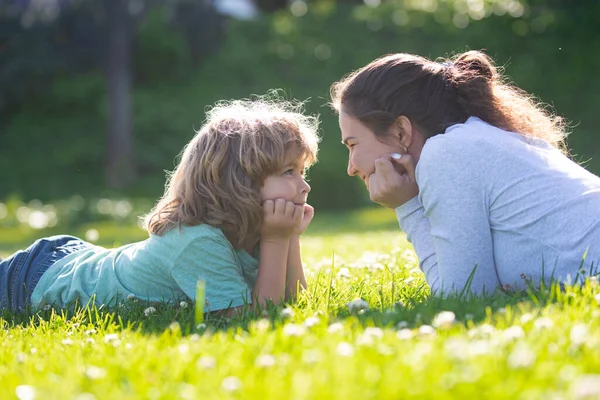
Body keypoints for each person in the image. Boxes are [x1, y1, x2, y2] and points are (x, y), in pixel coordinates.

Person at [0, 94, 320, 313]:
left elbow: (292, 302)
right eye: (288, 172)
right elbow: (253, 321)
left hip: (78, 257)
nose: (303, 185)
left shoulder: (255, 230)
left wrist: (288, 237)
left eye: (302, 171)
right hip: (32, 281)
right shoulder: (198, 240)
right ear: (239, 178)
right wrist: (279, 239)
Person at [330, 50, 600, 296]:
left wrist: (407, 206)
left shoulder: (447, 154)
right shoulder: (471, 141)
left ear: (401, 131)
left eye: (353, 145)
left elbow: (464, 295)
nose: (351, 167)